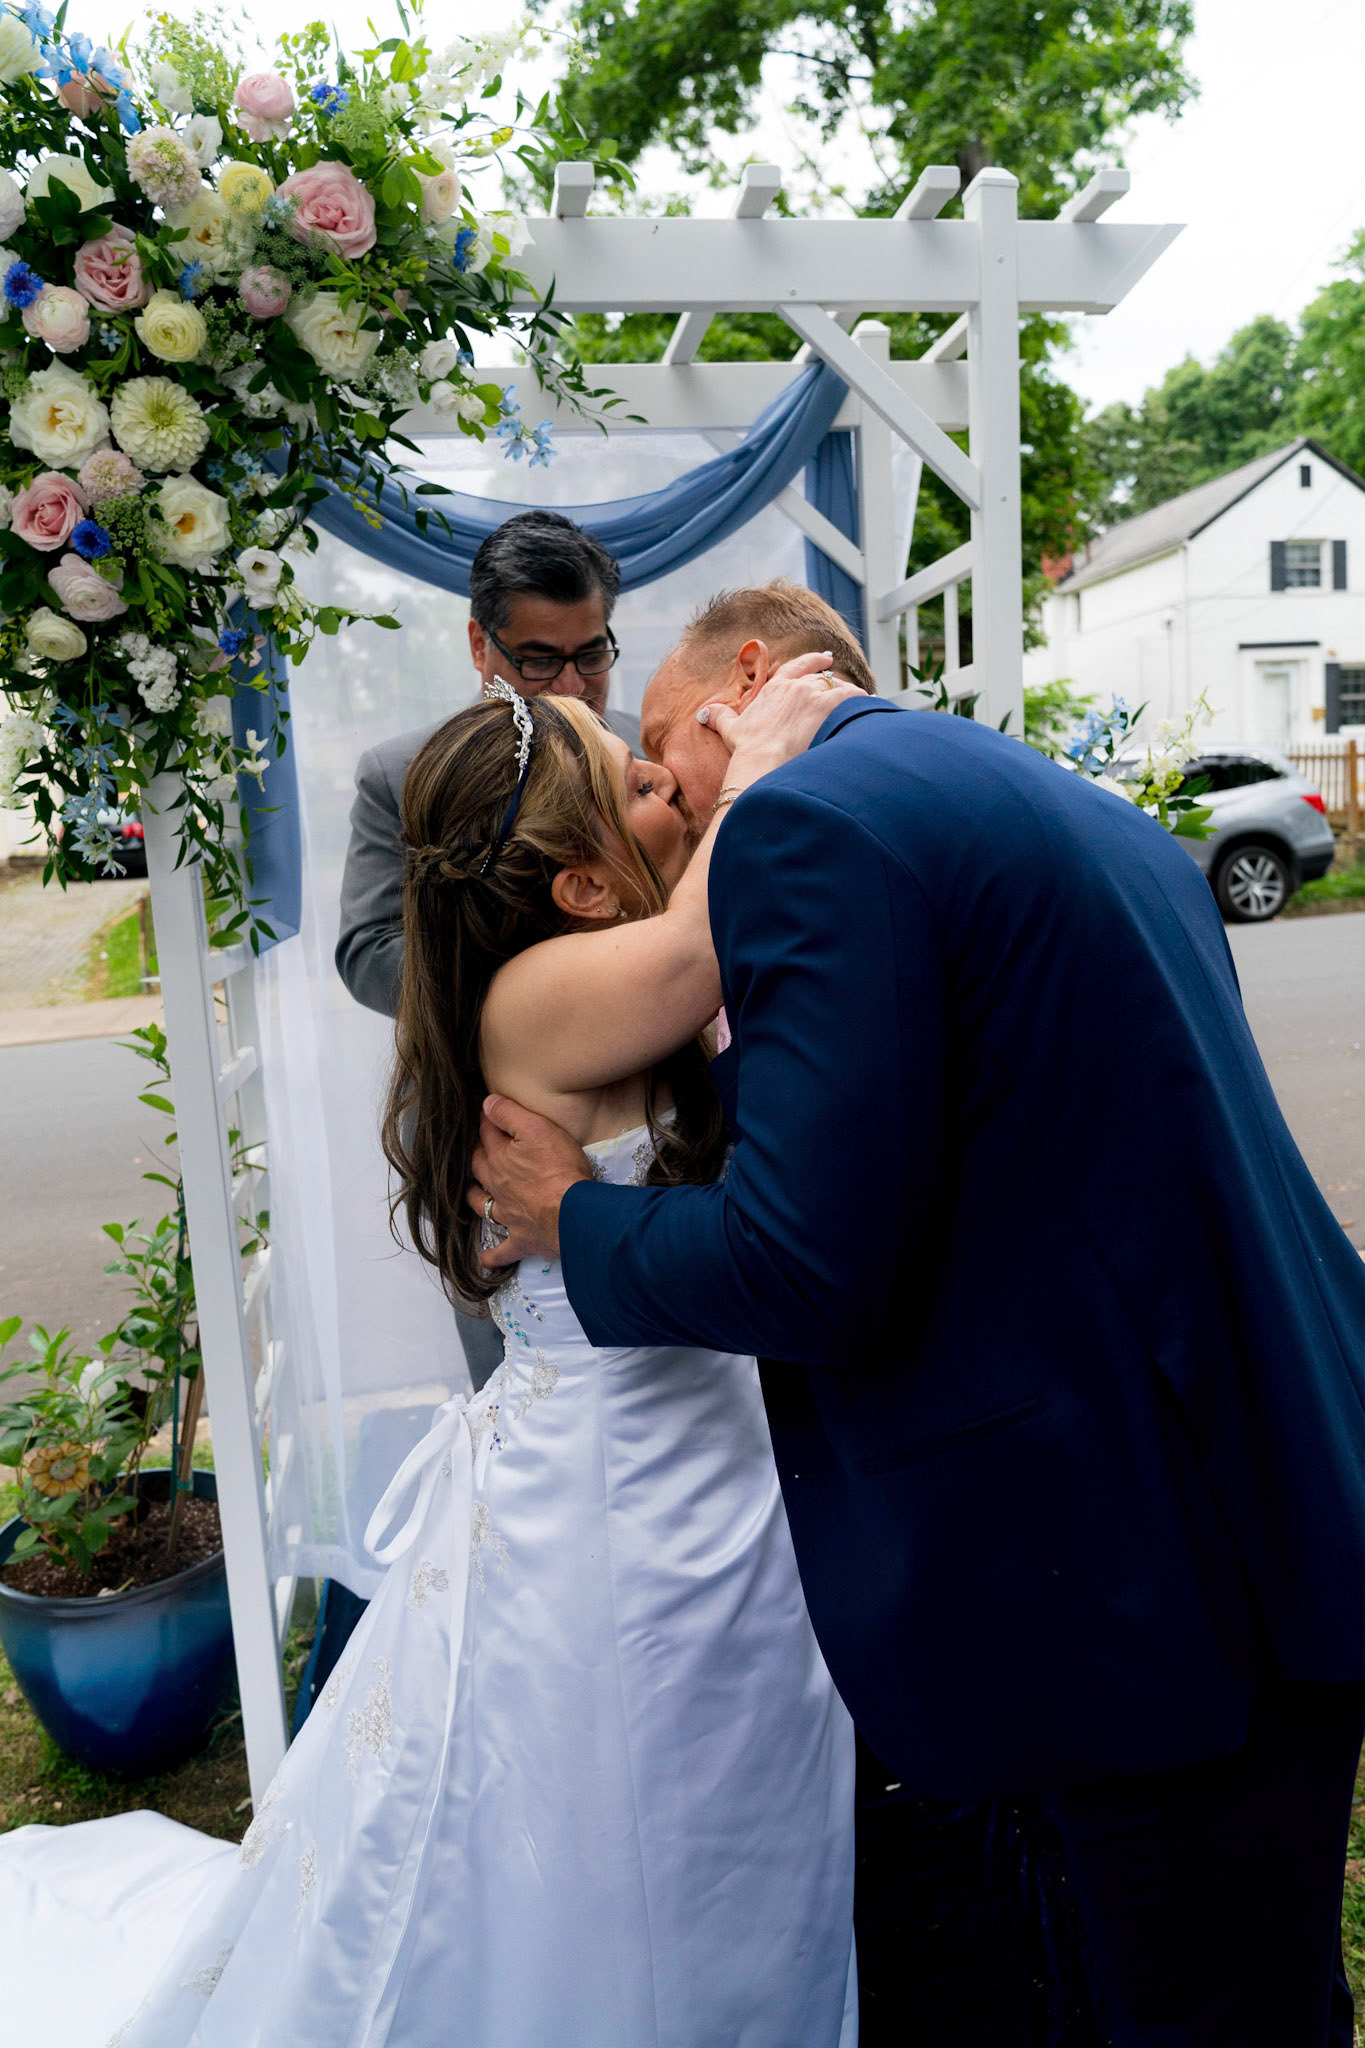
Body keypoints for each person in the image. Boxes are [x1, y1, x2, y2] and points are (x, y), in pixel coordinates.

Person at [470, 580, 1365, 2048]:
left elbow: (806, 1267)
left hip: (1143, 1572)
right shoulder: (1023, 787)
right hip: (1258, 1472)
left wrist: (580, 1218)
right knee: (1253, 1983)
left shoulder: (805, 826)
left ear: (741, 683)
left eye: (658, 752)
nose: (672, 807)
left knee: (1199, 2007)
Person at [0, 658, 865, 2047]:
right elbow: (707, 941)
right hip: (616, 1497)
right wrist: (763, 751)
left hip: (689, 1457)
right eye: (643, 786)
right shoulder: (541, 994)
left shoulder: (558, 977)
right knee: (636, 1820)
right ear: (576, 886)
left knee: (722, 1801)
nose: (677, 793)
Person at [336, 508, 640, 1392]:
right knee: (522, 1385)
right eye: (538, 658)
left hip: (648, 1122)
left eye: (591, 653)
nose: (572, 686)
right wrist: (531, 993)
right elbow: (364, 950)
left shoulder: (648, 761)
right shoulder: (404, 771)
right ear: (481, 644)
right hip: (480, 1133)